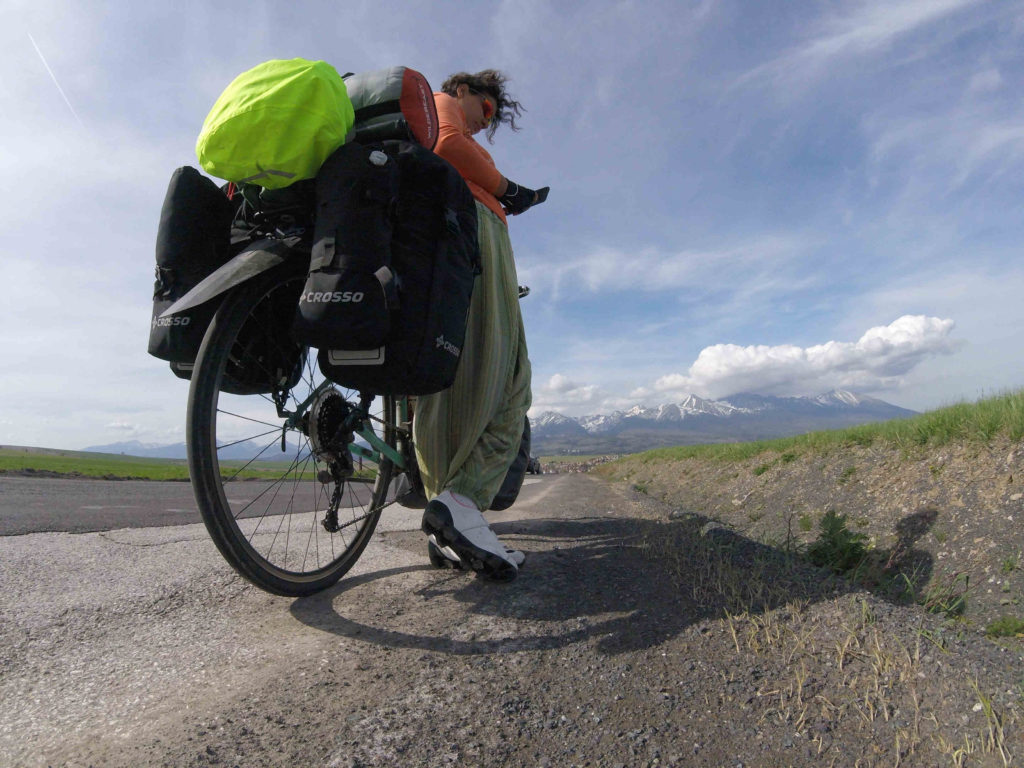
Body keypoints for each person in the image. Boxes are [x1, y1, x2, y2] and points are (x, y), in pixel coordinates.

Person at [414, 69, 546, 582]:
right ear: (465, 91)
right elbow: (446, 143)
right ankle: (462, 504)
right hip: (474, 227)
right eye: (486, 110)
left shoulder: (441, 114)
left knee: (452, 377)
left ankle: (448, 519)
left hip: (459, 230)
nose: (485, 122)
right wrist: (511, 189)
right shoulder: (443, 104)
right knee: (508, 372)